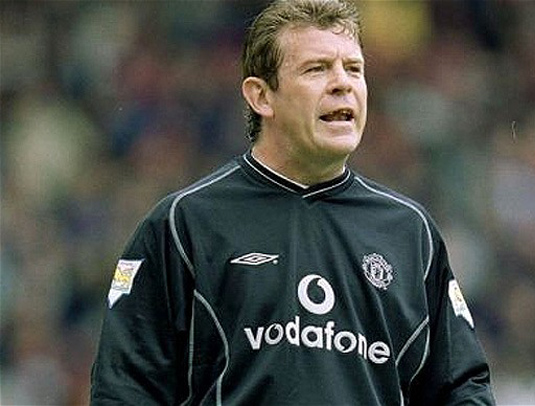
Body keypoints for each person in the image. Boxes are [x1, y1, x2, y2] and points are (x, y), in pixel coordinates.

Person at [90, 0, 496, 405]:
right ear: (261, 96)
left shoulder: (409, 231)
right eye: (317, 69)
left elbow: (462, 388)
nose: (342, 84)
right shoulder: (185, 225)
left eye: (353, 69)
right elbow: (126, 390)